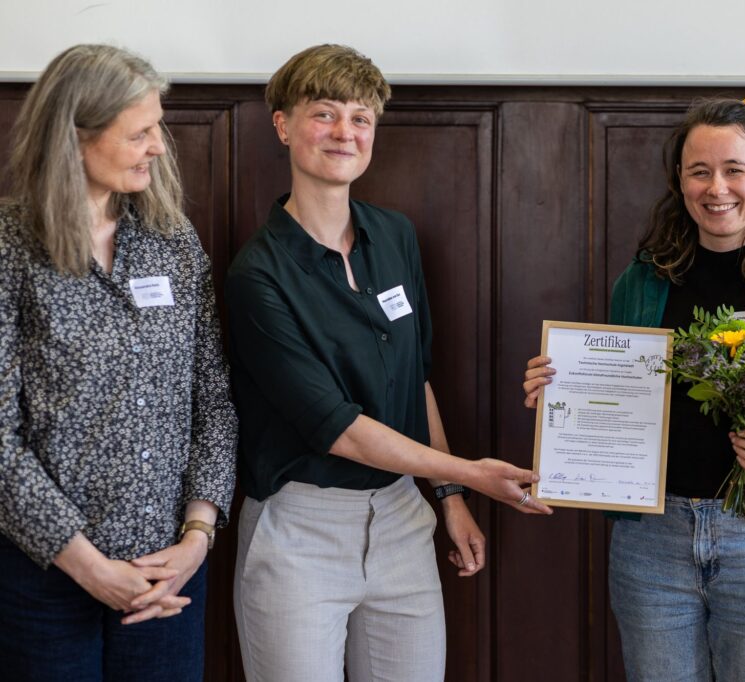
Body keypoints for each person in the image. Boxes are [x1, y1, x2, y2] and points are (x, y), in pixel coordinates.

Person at [523, 98, 745, 681]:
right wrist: (563, 391)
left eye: (735, 169)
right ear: (680, 181)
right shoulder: (642, 280)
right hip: (652, 545)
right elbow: (614, 392)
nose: (717, 188)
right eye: (699, 171)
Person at [226, 44, 551, 682]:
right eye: (324, 114)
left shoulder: (395, 236)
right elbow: (340, 428)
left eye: (361, 117)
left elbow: (416, 380)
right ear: (283, 125)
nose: (345, 132)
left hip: (403, 519)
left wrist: (450, 496)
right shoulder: (256, 275)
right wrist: (471, 473)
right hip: (301, 532)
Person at [0, 44, 237, 681]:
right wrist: (86, 565)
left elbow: (212, 400)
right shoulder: (10, 248)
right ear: (74, 136)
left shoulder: (172, 242)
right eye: (139, 132)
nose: (158, 145)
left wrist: (196, 538)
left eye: (156, 126)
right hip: (44, 575)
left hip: (169, 575)